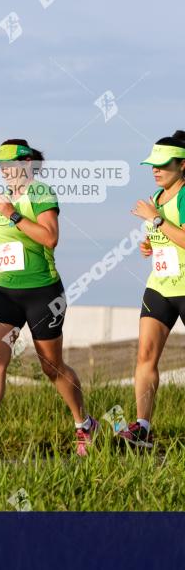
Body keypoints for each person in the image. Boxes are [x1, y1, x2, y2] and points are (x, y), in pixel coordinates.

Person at [0, 139, 97, 455]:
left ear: (27, 164)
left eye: (10, 165)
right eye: (1, 167)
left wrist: (13, 214)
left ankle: (84, 424)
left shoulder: (40, 193)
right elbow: (15, 241)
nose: (5, 172)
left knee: (52, 366)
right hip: (5, 291)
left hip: (41, 293)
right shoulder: (10, 199)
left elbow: (49, 237)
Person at [119, 131, 185, 448]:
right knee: (145, 356)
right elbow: (166, 238)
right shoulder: (156, 198)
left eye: (162, 165)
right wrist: (151, 243)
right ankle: (142, 427)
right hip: (159, 287)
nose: (155, 170)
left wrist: (157, 221)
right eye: (152, 165)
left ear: (182, 165)